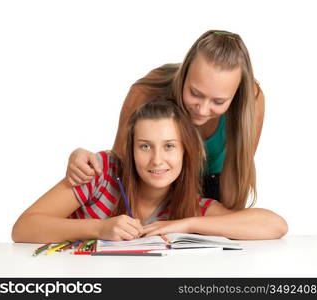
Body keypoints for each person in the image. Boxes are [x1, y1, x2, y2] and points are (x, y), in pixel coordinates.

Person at [11, 100, 287, 244]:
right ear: (130, 149)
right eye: (145, 146)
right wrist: (100, 228)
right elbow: (23, 228)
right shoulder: (100, 172)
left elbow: (274, 225)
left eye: (169, 146)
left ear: (185, 152)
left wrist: (185, 225)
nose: (157, 160)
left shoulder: (190, 206)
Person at [65, 29, 265, 210]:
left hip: (218, 185)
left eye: (219, 101)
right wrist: (83, 160)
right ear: (184, 73)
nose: (203, 110)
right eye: (195, 93)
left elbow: (235, 190)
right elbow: (119, 166)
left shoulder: (251, 100)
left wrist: (224, 223)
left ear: (236, 94)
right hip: (159, 186)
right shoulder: (145, 93)